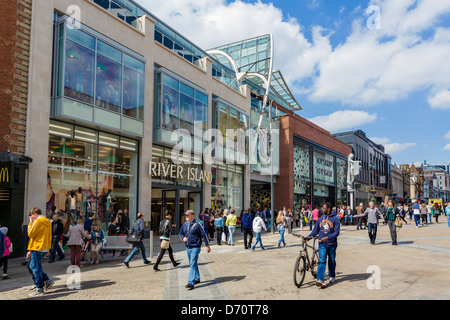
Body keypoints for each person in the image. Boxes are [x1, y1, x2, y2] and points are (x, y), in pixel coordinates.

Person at [306, 202, 340, 288]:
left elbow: (337, 232)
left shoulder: (335, 219)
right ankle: (320, 280)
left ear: (328, 209)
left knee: (331, 261)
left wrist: (328, 237)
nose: (322, 209)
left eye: (324, 208)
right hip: (322, 244)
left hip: (332, 244)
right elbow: (315, 230)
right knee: (322, 261)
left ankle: (332, 275)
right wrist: (309, 237)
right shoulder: (320, 219)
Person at [179, 210, 211, 290]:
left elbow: (204, 235)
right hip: (188, 247)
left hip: (196, 247)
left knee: (192, 263)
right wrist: (183, 238)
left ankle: (191, 282)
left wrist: (207, 245)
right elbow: (180, 233)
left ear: (192, 216)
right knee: (192, 263)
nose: (186, 217)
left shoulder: (197, 225)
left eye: (188, 215)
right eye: (185, 215)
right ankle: (197, 278)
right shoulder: (184, 224)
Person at [27, 207, 54, 297]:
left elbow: (31, 234)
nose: (32, 217)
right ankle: (47, 280)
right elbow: (50, 235)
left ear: (35, 213)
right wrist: (48, 248)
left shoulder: (38, 222)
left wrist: (30, 223)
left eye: (32, 215)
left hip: (37, 247)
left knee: (35, 267)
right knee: (34, 266)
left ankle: (40, 288)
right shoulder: (47, 221)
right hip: (44, 247)